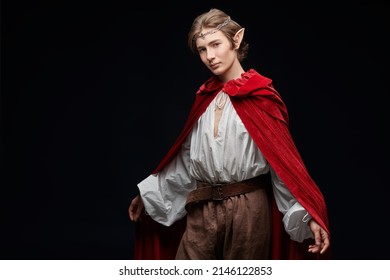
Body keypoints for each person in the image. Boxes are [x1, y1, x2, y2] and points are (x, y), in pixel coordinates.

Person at [128, 8, 331, 260]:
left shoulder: (262, 98)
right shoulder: (204, 99)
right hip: (201, 207)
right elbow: (188, 160)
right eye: (202, 49)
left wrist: (308, 213)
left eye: (215, 44)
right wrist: (149, 195)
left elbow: (283, 166)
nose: (209, 56)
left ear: (236, 40)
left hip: (248, 210)